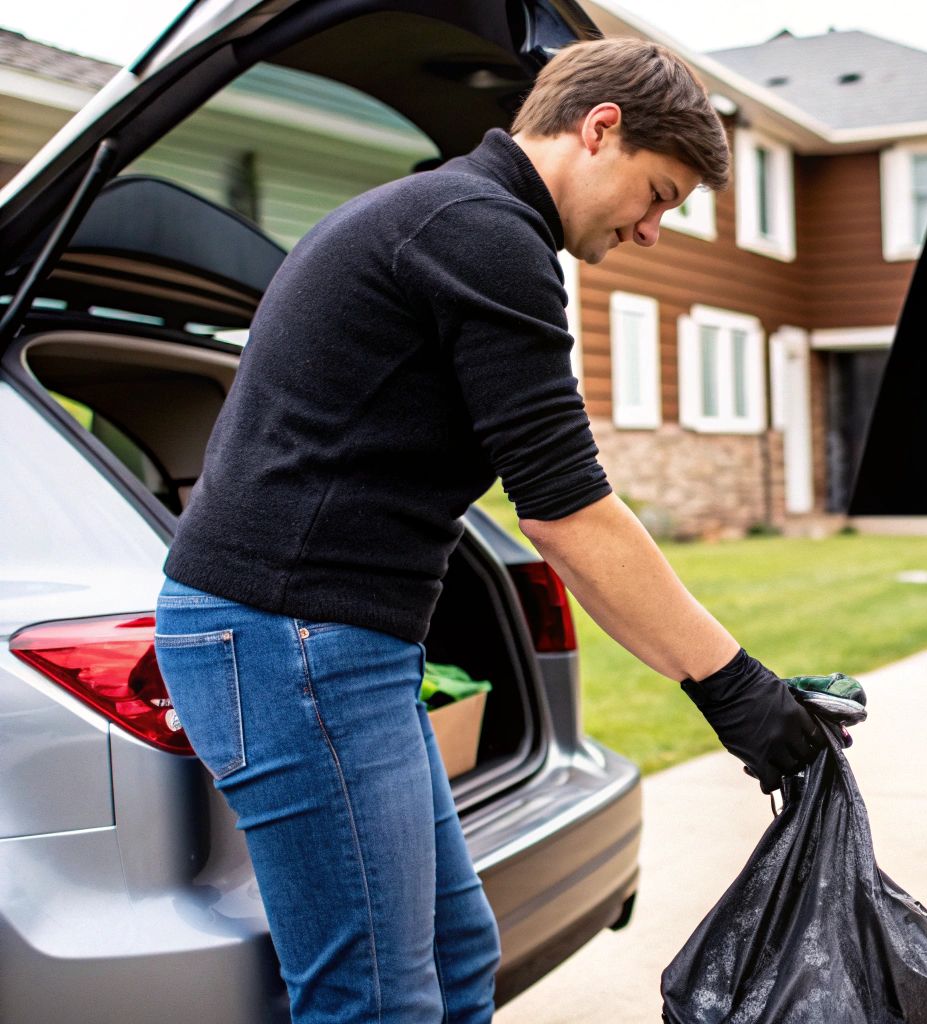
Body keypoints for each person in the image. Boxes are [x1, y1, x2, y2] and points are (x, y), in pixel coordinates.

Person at [151, 37, 832, 1024]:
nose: (651, 230)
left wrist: (740, 689)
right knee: (374, 1000)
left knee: (452, 952)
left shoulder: (456, 218)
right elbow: (566, 513)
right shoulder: (483, 235)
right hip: (291, 638)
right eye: (657, 193)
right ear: (600, 129)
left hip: (322, 639)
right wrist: (737, 691)